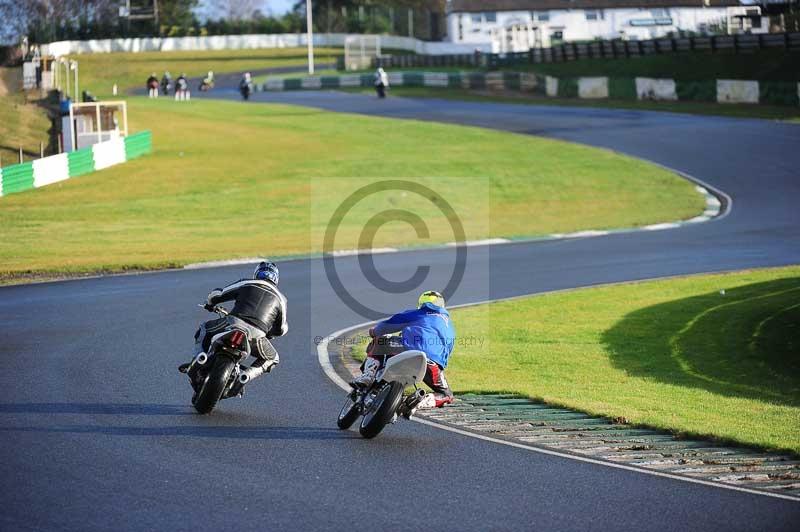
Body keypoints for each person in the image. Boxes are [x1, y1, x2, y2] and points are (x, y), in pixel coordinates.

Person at [179, 261, 288, 395]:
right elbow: (281, 329)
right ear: (276, 278)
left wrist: (210, 303)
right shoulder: (282, 300)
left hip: (233, 323)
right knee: (272, 358)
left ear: (257, 273)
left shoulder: (247, 283)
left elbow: (218, 294)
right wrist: (270, 333)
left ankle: (198, 358)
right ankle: (246, 376)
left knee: (204, 329)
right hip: (257, 334)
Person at [352, 290, 455, 414]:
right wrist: (438, 367)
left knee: (380, 340)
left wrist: (373, 332)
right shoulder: (449, 326)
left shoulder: (417, 313)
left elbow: (386, 326)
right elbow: (447, 351)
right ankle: (418, 402)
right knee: (447, 395)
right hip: (432, 364)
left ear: (421, 303)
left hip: (408, 349)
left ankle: (368, 375)